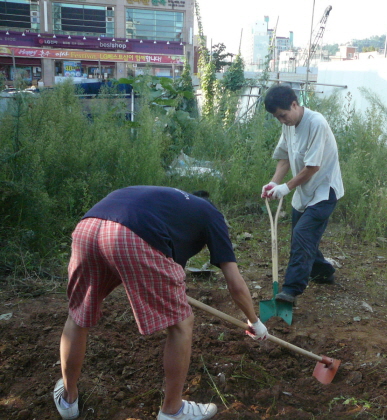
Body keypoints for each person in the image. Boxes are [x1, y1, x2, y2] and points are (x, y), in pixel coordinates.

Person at [53, 186, 268, 420]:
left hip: (88, 227)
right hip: (130, 236)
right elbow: (235, 283)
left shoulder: (167, 203)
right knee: (181, 323)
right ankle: (173, 411)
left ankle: (68, 399)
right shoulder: (212, 215)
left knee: (78, 314)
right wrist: (254, 321)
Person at [261, 84, 344, 303]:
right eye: (277, 118)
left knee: (302, 235)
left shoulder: (316, 123)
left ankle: (291, 290)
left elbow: (313, 167)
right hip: (303, 192)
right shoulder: (288, 124)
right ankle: (323, 272)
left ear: (295, 104)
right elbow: (285, 157)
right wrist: (273, 183)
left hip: (324, 191)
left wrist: (285, 188)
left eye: (283, 115)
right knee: (304, 236)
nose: (282, 120)